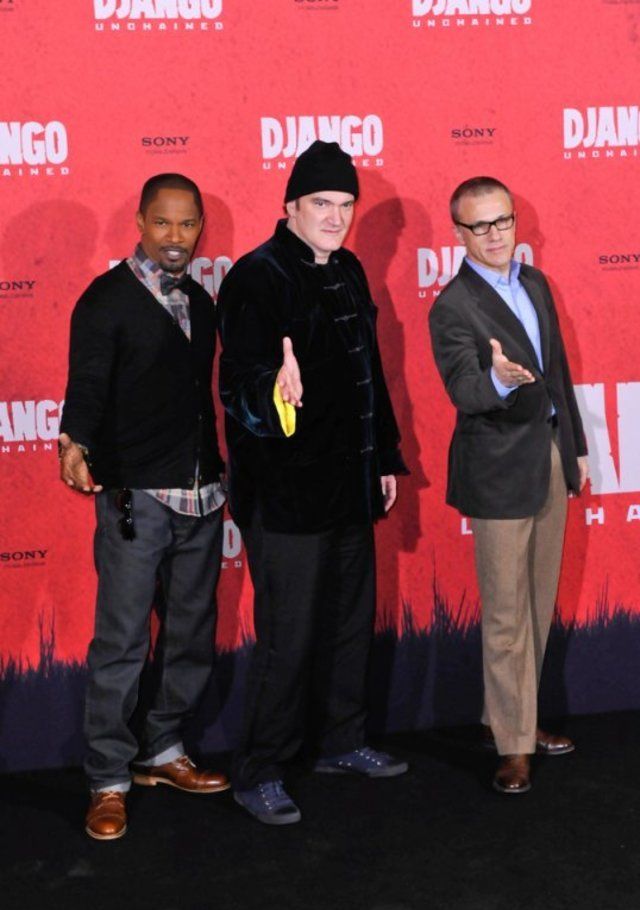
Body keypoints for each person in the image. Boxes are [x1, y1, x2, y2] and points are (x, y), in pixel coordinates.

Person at [217, 140, 409, 825]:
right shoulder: (257, 277)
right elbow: (237, 386)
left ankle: (342, 742)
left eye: (345, 204)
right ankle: (260, 771)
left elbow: (369, 375)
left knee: (349, 624)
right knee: (288, 638)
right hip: (287, 498)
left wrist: (384, 457)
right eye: (321, 203)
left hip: (350, 486)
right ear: (290, 206)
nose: (335, 217)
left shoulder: (349, 269)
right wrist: (273, 388)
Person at [59, 173, 228, 840]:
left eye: (187, 224)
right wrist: (74, 442)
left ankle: (163, 749)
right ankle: (107, 777)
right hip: (137, 496)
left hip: (202, 494)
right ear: (139, 222)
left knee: (192, 632)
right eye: (162, 222)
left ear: (200, 228)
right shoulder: (107, 300)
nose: (175, 236)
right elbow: (87, 383)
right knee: (123, 639)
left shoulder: (203, 302)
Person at [429, 176, 589, 795]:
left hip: (548, 455)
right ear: (459, 234)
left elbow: (559, 374)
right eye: (480, 225)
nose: (495, 234)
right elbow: (464, 390)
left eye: (503, 221)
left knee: (538, 600)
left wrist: (574, 449)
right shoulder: (452, 305)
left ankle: (513, 716)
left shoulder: (536, 282)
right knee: (504, 613)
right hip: (496, 469)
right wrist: (496, 379)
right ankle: (513, 744)